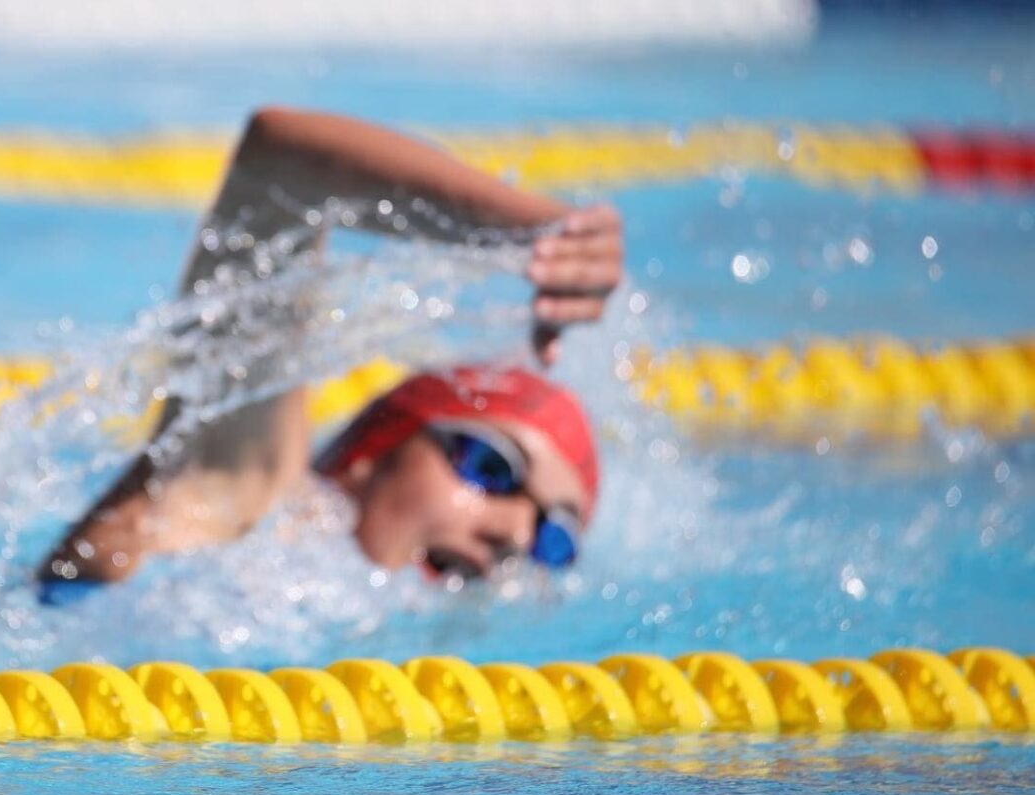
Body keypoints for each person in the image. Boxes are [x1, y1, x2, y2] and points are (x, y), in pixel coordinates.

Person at [39, 107, 622, 597]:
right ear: (377, 448)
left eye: (556, 537)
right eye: (490, 467)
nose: (517, 536)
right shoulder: (235, 501)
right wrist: (546, 240)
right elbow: (282, 169)